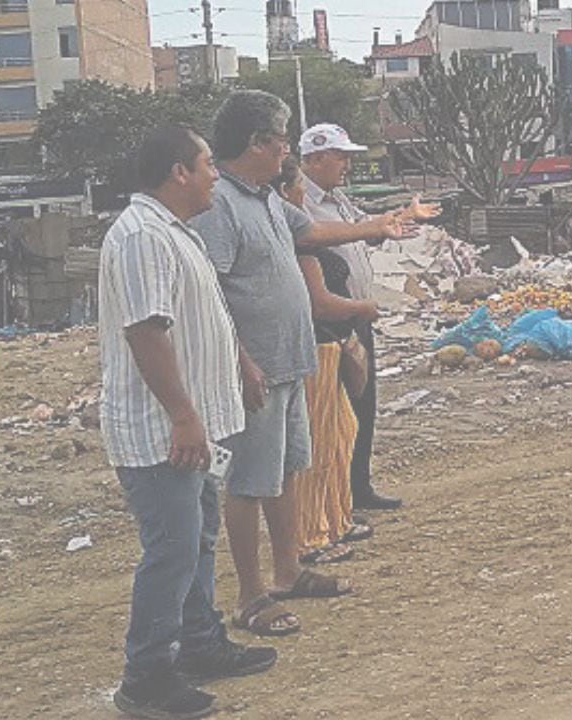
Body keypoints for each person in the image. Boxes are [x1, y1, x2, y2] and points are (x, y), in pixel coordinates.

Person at [189, 90, 412, 637]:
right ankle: (251, 595)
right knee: (249, 482)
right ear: (255, 143)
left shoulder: (265, 198)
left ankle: (287, 570)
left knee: (287, 469)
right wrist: (240, 362)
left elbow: (310, 232)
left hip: (290, 361)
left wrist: (378, 225)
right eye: (281, 141)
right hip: (257, 369)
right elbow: (210, 294)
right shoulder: (220, 206)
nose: (286, 150)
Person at [99, 125, 275, 720]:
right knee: (172, 550)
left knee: (197, 538)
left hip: (195, 426)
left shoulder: (177, 232)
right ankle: (145, 679)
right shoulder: (141, 237)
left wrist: (241, 363)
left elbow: (206, 314)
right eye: (207, 165)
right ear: (179, 172)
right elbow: (146, 331)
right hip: (163, 433)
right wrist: (182, 415)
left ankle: (200, 644)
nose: (215, 175)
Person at [298, 122, 441, 511]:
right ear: (315, 158)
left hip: (357, 317)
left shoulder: (338, 198)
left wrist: (404, 216)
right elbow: (315, 237)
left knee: (363, 405)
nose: (347, 165)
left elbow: (369, 229)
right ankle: (336, 496)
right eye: (340, 157)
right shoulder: (298, 202)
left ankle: (358, 486)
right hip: (328, 323)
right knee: (334, 413)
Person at [270, 158, 375, 565]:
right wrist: (362, 307)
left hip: (330, 344)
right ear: (286, 191)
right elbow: (319, 302)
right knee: (317, 444)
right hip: (316, 345)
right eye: (298, 184)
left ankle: (336, 518)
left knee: (340, 433)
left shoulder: (304, 234)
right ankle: (311, 534)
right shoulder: (300, 243)